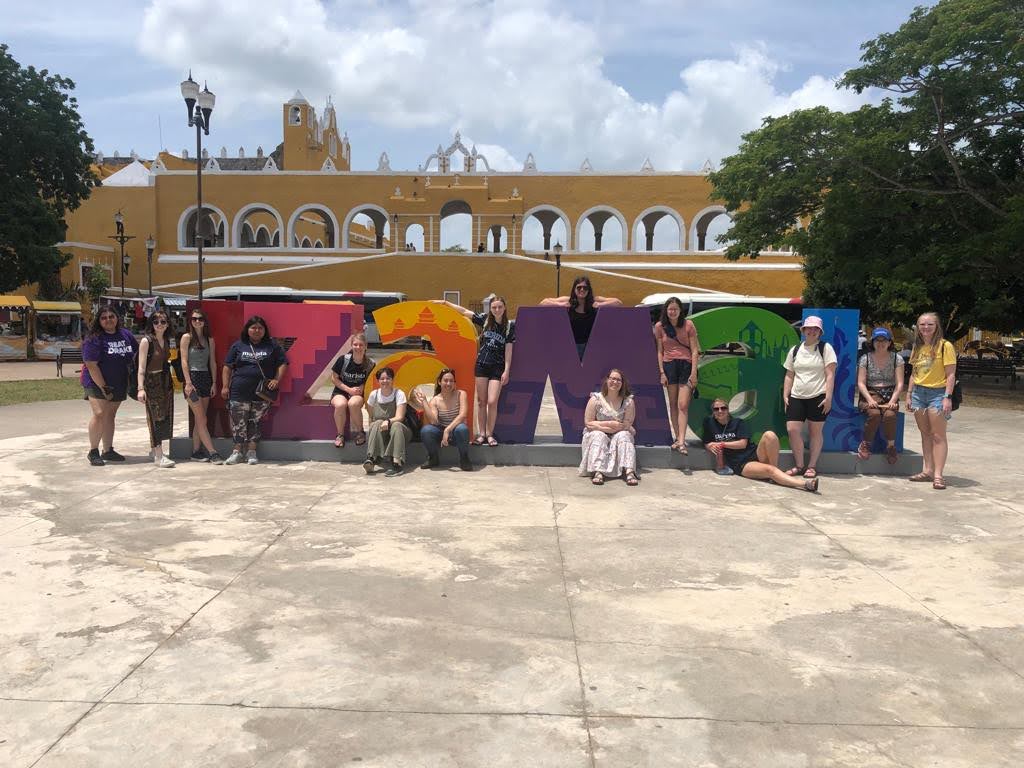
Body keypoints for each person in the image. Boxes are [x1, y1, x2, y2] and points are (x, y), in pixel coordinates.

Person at [431, 296, 514, 445]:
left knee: (492, 401)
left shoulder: (509, 326)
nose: (497, 310)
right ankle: (482, 434)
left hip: (497, 367)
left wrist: (506, 370)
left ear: (504, 307)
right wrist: (444, 303)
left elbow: (509, 350)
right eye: (494, 307)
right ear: (491, 308)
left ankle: (490, 434)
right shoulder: (485, 320)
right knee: (481, 402)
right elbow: (464, 311)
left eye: (499, 307)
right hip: (482, 365)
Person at [703, 398, 819, 492]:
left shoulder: (737, 422)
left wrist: (721, 444)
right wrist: (709, 446)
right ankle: (805, 484)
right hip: (742, 464)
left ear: (728, 410)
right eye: (716, 409)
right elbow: (707, 442)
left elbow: (742, 444)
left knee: (770, 435)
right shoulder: (710, 424)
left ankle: (774, 474)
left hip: (754, 453)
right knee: (770, 470)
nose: (720, 411)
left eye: (723, 408)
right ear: (713, 412)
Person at [221, 316, 288, 466]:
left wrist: (277, 379)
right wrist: (225, 386)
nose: (257, 330)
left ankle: (252, 452)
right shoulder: (238, 345)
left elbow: (283, 363)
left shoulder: (272, 346)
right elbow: (227, 367)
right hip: (239, 391)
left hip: (261, 393)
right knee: (238, 422)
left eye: (260, 328)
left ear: (265, 330)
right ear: (247, 330)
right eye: (253, 328)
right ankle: (237, 452)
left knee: (255, 422)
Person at [81, 304, 138, 466]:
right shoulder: (94, 338)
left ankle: (108, 450)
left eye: (111, 316)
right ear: (99, 321)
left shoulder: (125, 334)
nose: (108, 320)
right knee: (99, 413)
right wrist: (104, 387)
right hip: (96, 381)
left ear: (117, 318)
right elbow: (91, 365)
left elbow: (137, 353)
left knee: (109, 415)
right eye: (104, 318)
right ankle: (93, 451)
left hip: (119, 381)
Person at [906, 311, 956, 490]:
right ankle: (927, 470)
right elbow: (914, 373)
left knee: (938, 435)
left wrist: (947, 397)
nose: (925, 327)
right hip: (919, 393)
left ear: (937, 327)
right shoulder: (917, 347)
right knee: (925, 433)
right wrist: (909, 393)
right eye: (922, 324)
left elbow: (951, 374)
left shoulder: (945, 346)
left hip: (938, 393)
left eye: (930, 324)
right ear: (917, 328)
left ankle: (938, 475)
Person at [782, 315, 837, 479]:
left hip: (818, 396)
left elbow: (830, 375)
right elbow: (789, 374)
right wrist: (786, 394)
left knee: (815, 432)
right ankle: (799, 465)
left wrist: (828, 397)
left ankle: (811, 466)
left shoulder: (825, 348)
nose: (812, 331)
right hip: (797, 396)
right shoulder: (795, 350)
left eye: (815, 329)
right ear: (803, 330)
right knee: (792, 430)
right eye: (809, 328)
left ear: (820, 332)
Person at [654, 296, 700, 455]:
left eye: (675, 309)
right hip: (669, 365)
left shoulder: (689, 325)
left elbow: (695, 350)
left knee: (683, 405)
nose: (672, 312)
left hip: (686, 365)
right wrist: (661, 372)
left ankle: (681, 441)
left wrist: (694, 373)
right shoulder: (660, 327)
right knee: (672, 404)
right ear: (666, 311)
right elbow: (659, 351)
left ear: (681, 311)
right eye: (670, 309)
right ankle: (678, 439)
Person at [579, 369, 638, 486]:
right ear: (607, 380)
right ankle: (598, 472)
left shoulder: (628, 402)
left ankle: (629, 471)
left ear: (622, 383)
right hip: (598, 432)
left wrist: (614, 428)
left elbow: (626, 424)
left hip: (619, 432)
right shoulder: (595, 399)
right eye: (612, 379)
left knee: (625, 435)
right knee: (598, 436)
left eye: (618, 380)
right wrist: (609, 425)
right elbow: (589, 423)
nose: (615, 382)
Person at [541, 276, 622, 359]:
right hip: (570, 345)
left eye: (585, 288)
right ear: (574, 289)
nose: (582, 290)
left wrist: (600, 305)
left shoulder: (594, 300)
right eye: (579, 287)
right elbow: (543, 302)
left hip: (590, 347)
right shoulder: (568, 300)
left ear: (588, 289)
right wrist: (560, 305)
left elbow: (618, 302)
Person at [180, 308, 222, 464]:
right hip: (192, 379)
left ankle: (196, 451)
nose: (197, 321)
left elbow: (212, 362)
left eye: (200, 319)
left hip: (206, 378)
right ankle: (213, 452)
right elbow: (183, 361)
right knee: (201, 418)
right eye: (194, 319)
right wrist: (188, 382)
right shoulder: (186, 337)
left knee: (200, 419)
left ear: (204, 321)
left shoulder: (209, 339)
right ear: (190, 321)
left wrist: (214, 383)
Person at [857, 327, 905, 464]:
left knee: (890, 415)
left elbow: (900, 383)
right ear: (872, 342)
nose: (881, 343)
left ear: (890, 342)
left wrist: (893, 400)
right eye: (877, 340)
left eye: (884, 340)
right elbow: (860, 383)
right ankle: (865, 443)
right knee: (874, 414)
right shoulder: (865, 358)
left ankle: (890, 446)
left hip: (890, 394)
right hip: (870, 392)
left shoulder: (897, 359)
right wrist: (869, 399)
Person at [135, 311, 176, 468]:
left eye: (163, 321)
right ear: (151, 324)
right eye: (156, 321)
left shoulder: (166, 340)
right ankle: (159, 455)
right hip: (151, 382)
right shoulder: (147, 341)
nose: (159, 324)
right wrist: (140, 388)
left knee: (165, 416)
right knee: (155, 418)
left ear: (167, 324)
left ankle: (155, 449)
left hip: (164, 382)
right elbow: (141, 367)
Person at [414, 368, 473, 471]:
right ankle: (433, 458)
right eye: (445, 380)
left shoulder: (461, 394)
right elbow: (434, 421)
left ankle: (464, 458)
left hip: (456, 432)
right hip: (441, 435)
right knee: (426, 430)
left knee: (462, 428)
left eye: (451, 381)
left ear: (454, 383)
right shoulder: (435, 400)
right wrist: (424, 402)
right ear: (439, 382)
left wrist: (448, 429)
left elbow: (463, 415)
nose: (448, 383)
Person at [363, 366, 412, 476]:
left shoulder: (399, 394)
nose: (385, 381)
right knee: (376, 423)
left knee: (397, 425)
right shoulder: (373, 395)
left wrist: (388, 421)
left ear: (392, 380)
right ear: (378, 380)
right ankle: (371, 458)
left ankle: (397, 463)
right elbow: (371, 417)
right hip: (382, 432)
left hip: (400, 432)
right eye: (382, 379)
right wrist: (373, 432)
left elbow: (400, 417)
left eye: (388, 378)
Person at [330, 332, 373, 448]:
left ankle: (360, 432)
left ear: (366, 346)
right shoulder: (343, 360)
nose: (358, 347)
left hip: (358, 393)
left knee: (353, 403)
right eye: (355, 344)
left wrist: (362, 388)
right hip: (342, 390)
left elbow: (370, 381)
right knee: (340, 405)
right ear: (351, 345)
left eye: (361, 345)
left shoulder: (370, 364)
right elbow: (334, 378)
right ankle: (340, 435)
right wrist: (348, 389)